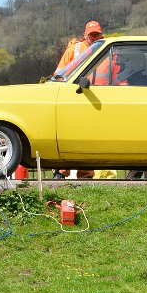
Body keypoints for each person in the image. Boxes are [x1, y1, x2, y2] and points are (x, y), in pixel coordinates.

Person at [53, 20, 104, 179]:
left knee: (90, 139)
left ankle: (86, 175)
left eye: (97, 34)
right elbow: (58, 75)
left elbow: (115, 75)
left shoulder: (106, 49)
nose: (94, 37)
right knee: (69, 136)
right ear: (85, 36)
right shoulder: (74, 50)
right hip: (75, 98)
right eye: (91, 35)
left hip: (98, 101)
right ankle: (61, 172)